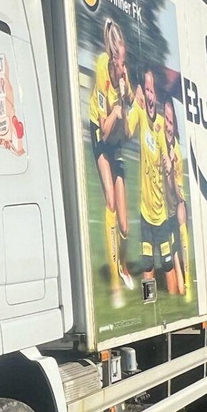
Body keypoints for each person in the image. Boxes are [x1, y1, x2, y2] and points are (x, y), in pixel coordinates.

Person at [123, 68, 182, 297]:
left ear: (156, 95)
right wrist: (128, 102)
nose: (149, 94)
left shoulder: (159, 124)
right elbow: (128, 131)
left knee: (167, 264)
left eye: (151, 90)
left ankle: (176, 296)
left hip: (162, 214)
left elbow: (165, 157)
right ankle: (149, 304)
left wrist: (168, 164)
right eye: (146, 89)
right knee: (147, 262)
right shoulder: (138, 111)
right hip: (146, 212)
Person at [88, 19, 135, 305]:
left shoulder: (124, 77)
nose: (123, 69)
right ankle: (116, 285)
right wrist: (117, 111)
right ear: (112, 57)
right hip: (100, 132)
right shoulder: (100, 68)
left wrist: (126, 101)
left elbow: (126, 131)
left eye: (125, 62)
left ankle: (123, 264)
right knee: (109, 202)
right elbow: (104, 131)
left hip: (115, 142)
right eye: (120, 63)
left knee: (126, 224)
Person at [163, 99, 193, 301]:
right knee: (175, 290)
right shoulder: (158, 141)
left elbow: (176, 192)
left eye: (171, 121)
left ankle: (188, 281)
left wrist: (171, 170)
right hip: (164, 208)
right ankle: (181, 286)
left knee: (181, 221)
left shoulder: (177, 152)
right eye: (166, 119)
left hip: (177, 201)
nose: (168, 125)